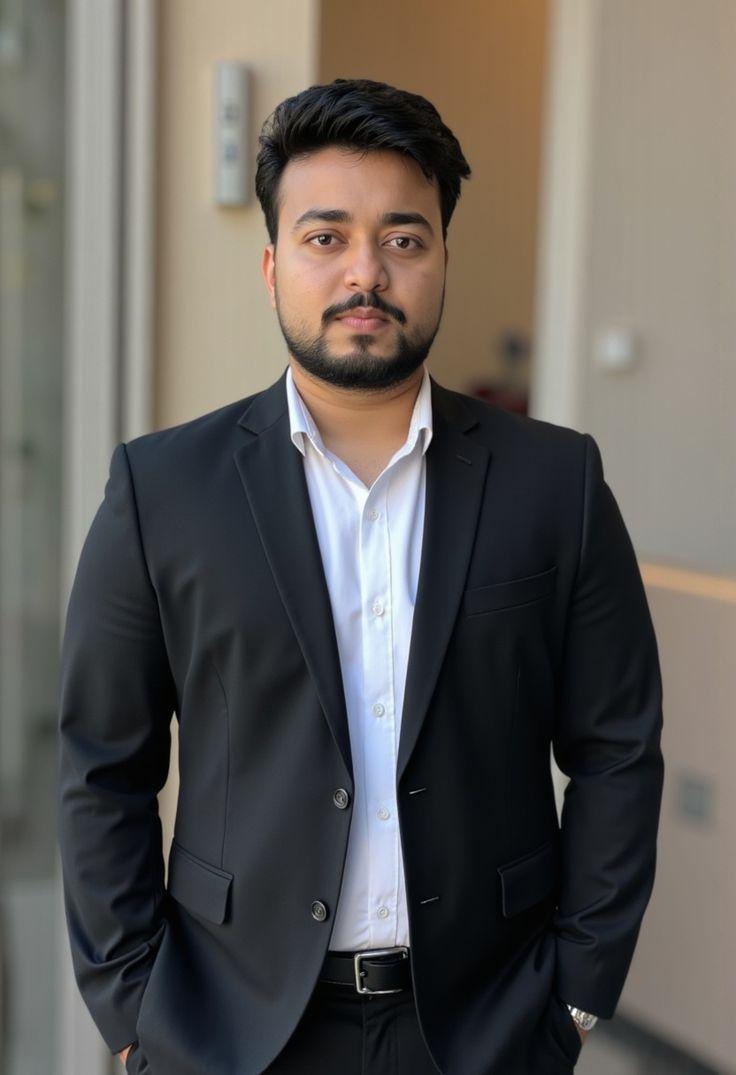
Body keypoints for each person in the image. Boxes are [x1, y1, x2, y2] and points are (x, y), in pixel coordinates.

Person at [56, 78, 664, 1074]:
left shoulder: (555, 482)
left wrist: (578, 993)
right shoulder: (161, 489)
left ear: (442, 259)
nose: (365, 273)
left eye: (403, 238)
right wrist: (134, 1008)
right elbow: (101, 763)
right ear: (272, 266)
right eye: (326, 236)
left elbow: (617, 749)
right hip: (231, 1027)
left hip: (486, 1025)